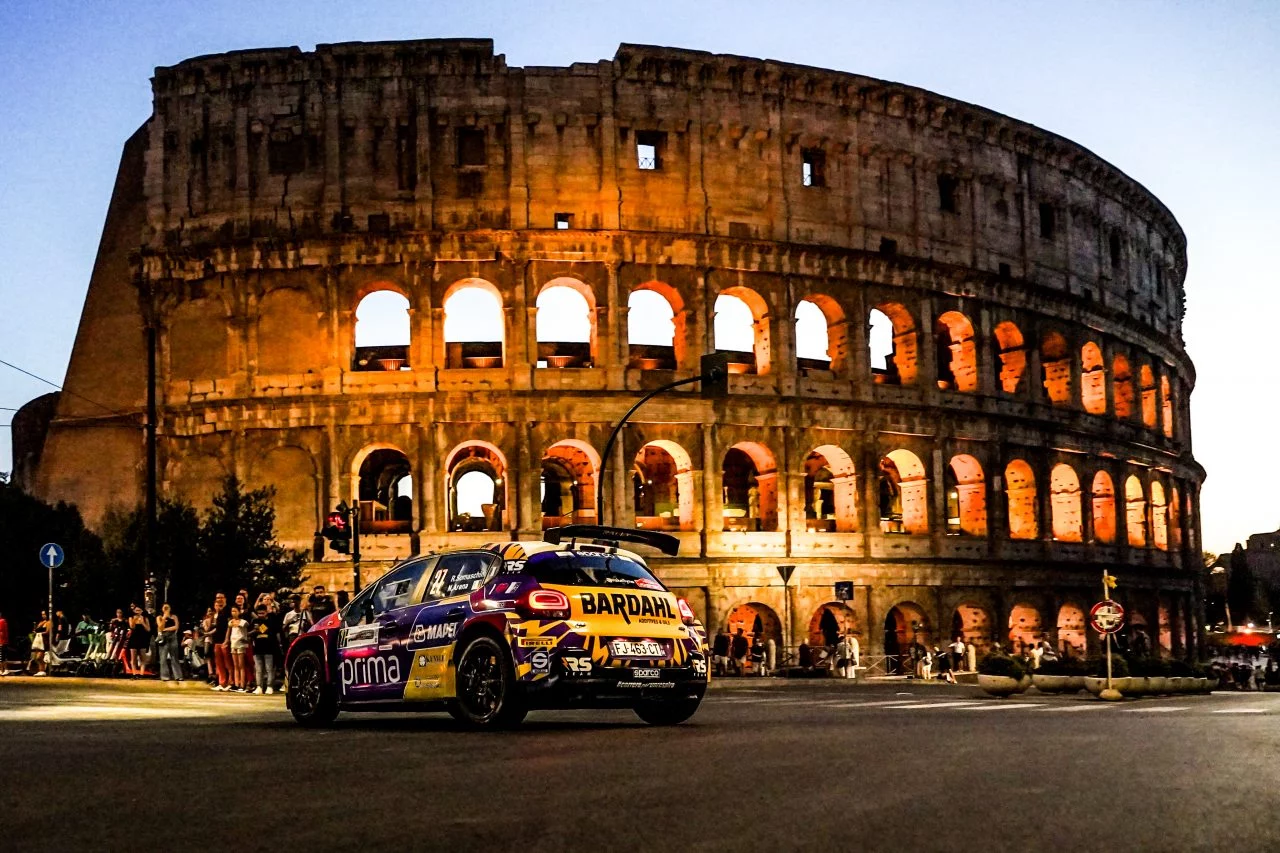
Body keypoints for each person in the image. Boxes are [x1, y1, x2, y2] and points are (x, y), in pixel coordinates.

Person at [249, 604, 280, 695]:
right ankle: (259, 686)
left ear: (266, 612)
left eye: (262, 613)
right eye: (259, 613)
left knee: (269, 669)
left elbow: (276, 633)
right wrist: (255, 630)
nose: (261, 615)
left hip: (269, 648)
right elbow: (248, 634)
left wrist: (280, 645)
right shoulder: (254, 621)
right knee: (258, 669)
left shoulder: (271, 621)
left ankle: (270, 686)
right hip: (257, 649)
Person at [210, 593, 233, 691]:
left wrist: (227, 640)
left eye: (221, 597)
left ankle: (231, 682)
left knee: (228, 663)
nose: (219, 599)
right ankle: (222, 683)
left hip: (225, 640)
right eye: (217, 598)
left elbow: (229, 626)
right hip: (217, 640)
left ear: (225, 598)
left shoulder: (228, 610)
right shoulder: (218, 612)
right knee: (219, 663)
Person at [156, 603, 183, 682]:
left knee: (174, 657)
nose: (166, 608)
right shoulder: (159, 617)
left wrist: (165, 629)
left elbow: (176, 626)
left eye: (167, 607)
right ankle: (165, 676)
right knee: (163, 657)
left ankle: (178, 676)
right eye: (164, 607)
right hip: (163, 638)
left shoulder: (174, 616)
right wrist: (164, 617)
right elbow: (160, 626)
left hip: (172, 637)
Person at [126, 603, 153, 675]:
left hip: (142, 639)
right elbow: (132, 627)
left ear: (142, 611)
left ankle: (142, 674)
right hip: (133, 638)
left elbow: (148, 629)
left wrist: (143, 622)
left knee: (143, 658)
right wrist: (135, 619)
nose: (137, 612)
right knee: (133, 658)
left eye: (139, 610)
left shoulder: (145, 618)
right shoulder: (131, 617)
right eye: (136, 610)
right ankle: (134, 674)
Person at [228, 605, 249, 691]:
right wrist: (234, 623)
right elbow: (230, 624)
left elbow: (245, 625)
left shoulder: (243, 621)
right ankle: (236, 684)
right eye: (232, 611)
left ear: (239, 612)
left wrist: (236, 623)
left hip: (241, 643)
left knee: (241, 665)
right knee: (235, 665)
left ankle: (242, 684)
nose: (233, 613)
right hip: (233, 644)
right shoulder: (230, 621)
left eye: (235, 611)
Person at [0, 610, 8, 675]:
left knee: (2, 656)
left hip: (2, 641)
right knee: (1, 657)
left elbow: (3, 632)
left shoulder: (2, 621)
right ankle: (1, 670)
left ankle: (5, 669)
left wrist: (2, 642)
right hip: (2, 641)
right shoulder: (2, 621)